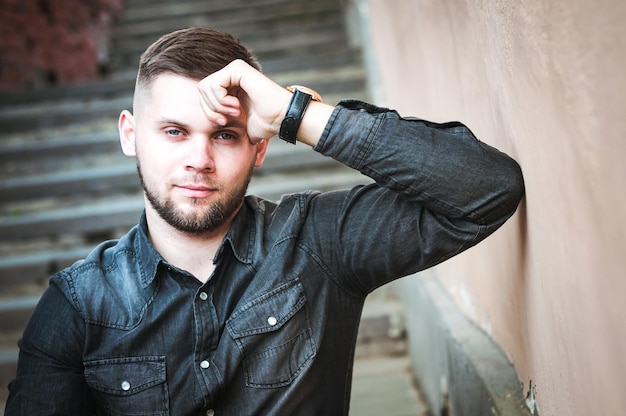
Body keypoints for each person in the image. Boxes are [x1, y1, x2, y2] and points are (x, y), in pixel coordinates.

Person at [5, 27, 524, 415]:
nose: (199, 160)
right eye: (173, 132)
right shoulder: (77, 306)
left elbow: (486, 188)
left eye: (225, 135)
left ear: (260, 147)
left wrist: (294, 112)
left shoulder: (318, 242)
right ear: (130, 135)